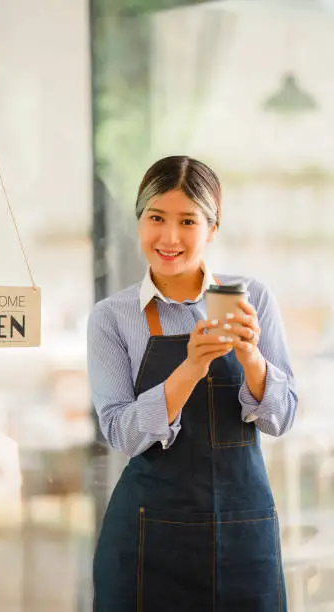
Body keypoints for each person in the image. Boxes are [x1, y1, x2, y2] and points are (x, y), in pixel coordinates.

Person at [87, 156, 297, 612]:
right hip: (147, 541)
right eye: (156, 218)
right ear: (139, 220)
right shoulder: (112, 317)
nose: (170, 237)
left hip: (245, 540)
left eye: (188, 221)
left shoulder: (252, 297)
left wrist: (251, 358)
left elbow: (283, 418)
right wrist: (189, 369)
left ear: (213, 227)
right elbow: (121, 433)